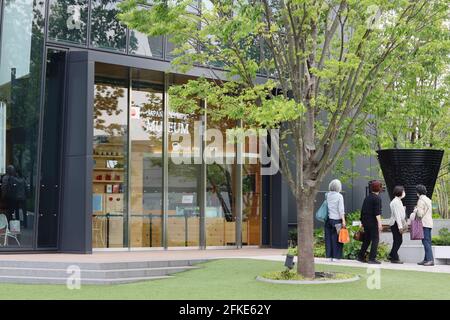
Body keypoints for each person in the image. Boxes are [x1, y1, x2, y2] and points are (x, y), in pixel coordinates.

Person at [357, 180, 383, 264]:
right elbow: (377, 213)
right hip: (373, 222)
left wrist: (361, 222)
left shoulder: (367, 197)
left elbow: (363, 210)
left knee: (367, 240)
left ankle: (360, 256)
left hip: (365, 222)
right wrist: (379, 224)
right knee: (375, 239)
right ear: (379, 188)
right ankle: (372, 258)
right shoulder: (377, 198)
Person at [409, 184, 434, 266]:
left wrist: (415, 210)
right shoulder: (428, 200)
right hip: (429, 223)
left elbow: (420, 214)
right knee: (428, 241)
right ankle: (426, 259)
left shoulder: (420, 201)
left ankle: (430, 260)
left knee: (426, 242)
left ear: (418, 192)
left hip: (424, 223)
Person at [324, 179, 346, 262]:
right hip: (337, 220)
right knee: (337, 239)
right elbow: (341, 210)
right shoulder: (339, 196)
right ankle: (336, 257)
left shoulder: (327, 195)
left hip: (328, 220)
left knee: (328, 238)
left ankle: (329, 256)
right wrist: (343, 220)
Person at [388, 185, 407, 264]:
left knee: (398, 240)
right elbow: (397, 215)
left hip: (397, 223)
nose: (404, 193)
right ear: (400, 192)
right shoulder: (395, 202)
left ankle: (392, 255)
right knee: (398, 240)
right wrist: (400, 227)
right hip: (395, 223)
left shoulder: (398, 201)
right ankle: (393, 256)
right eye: (403, 191)